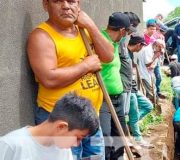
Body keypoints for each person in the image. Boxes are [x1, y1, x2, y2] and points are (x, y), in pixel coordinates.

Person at [27, 0, 114, 159]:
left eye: (71, 1)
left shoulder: (84, 31)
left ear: (78, 5)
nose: (66, 6)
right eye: (58, 1)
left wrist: (91, 26)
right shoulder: (41, 36)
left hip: (91, 120)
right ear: (46, 5)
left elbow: (108, 56)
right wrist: (85, 66)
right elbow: (49, 79)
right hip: (60, 124)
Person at [0, 93, 99, 160]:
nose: (76, 144)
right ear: (61, 127)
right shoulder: (11, 145)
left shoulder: (64, 150)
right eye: (77, 138)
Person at [99, 12, 135, 160]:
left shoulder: (115, 44)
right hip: (103, 99)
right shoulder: (100, 40)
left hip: (118, 98)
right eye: (126, 32)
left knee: (120, 135)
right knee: (106, 136)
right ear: (122, 30)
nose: (126, 36)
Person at [127, 34, 154, 148]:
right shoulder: (124, 54)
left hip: (134, 88)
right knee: (134, 116)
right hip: (128, 89)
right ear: (139, 44)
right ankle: (138, 139)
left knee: (148, 106)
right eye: (142, 46)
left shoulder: (130, 54)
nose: (141, 49)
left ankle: (130, 125)